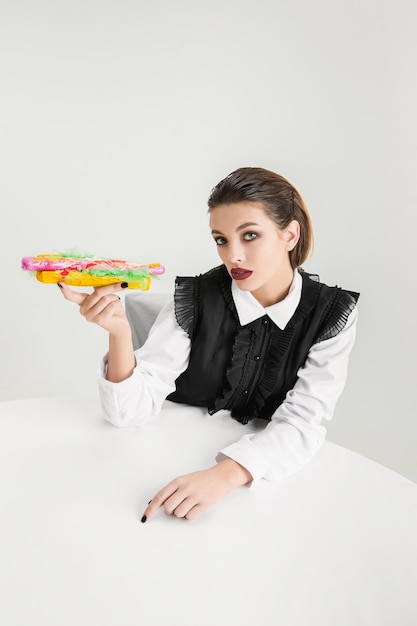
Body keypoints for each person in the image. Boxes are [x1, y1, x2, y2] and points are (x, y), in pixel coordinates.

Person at [60, 167, 359, 523]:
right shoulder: (195, 297)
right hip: (154, 458)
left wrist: (225, 475)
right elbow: (127, 415)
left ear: (290, 234)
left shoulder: (332, 314)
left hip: (266, 491)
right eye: (221, 239)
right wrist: (119, 333)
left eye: (249, 235)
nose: (233, 255)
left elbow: (304, 421)